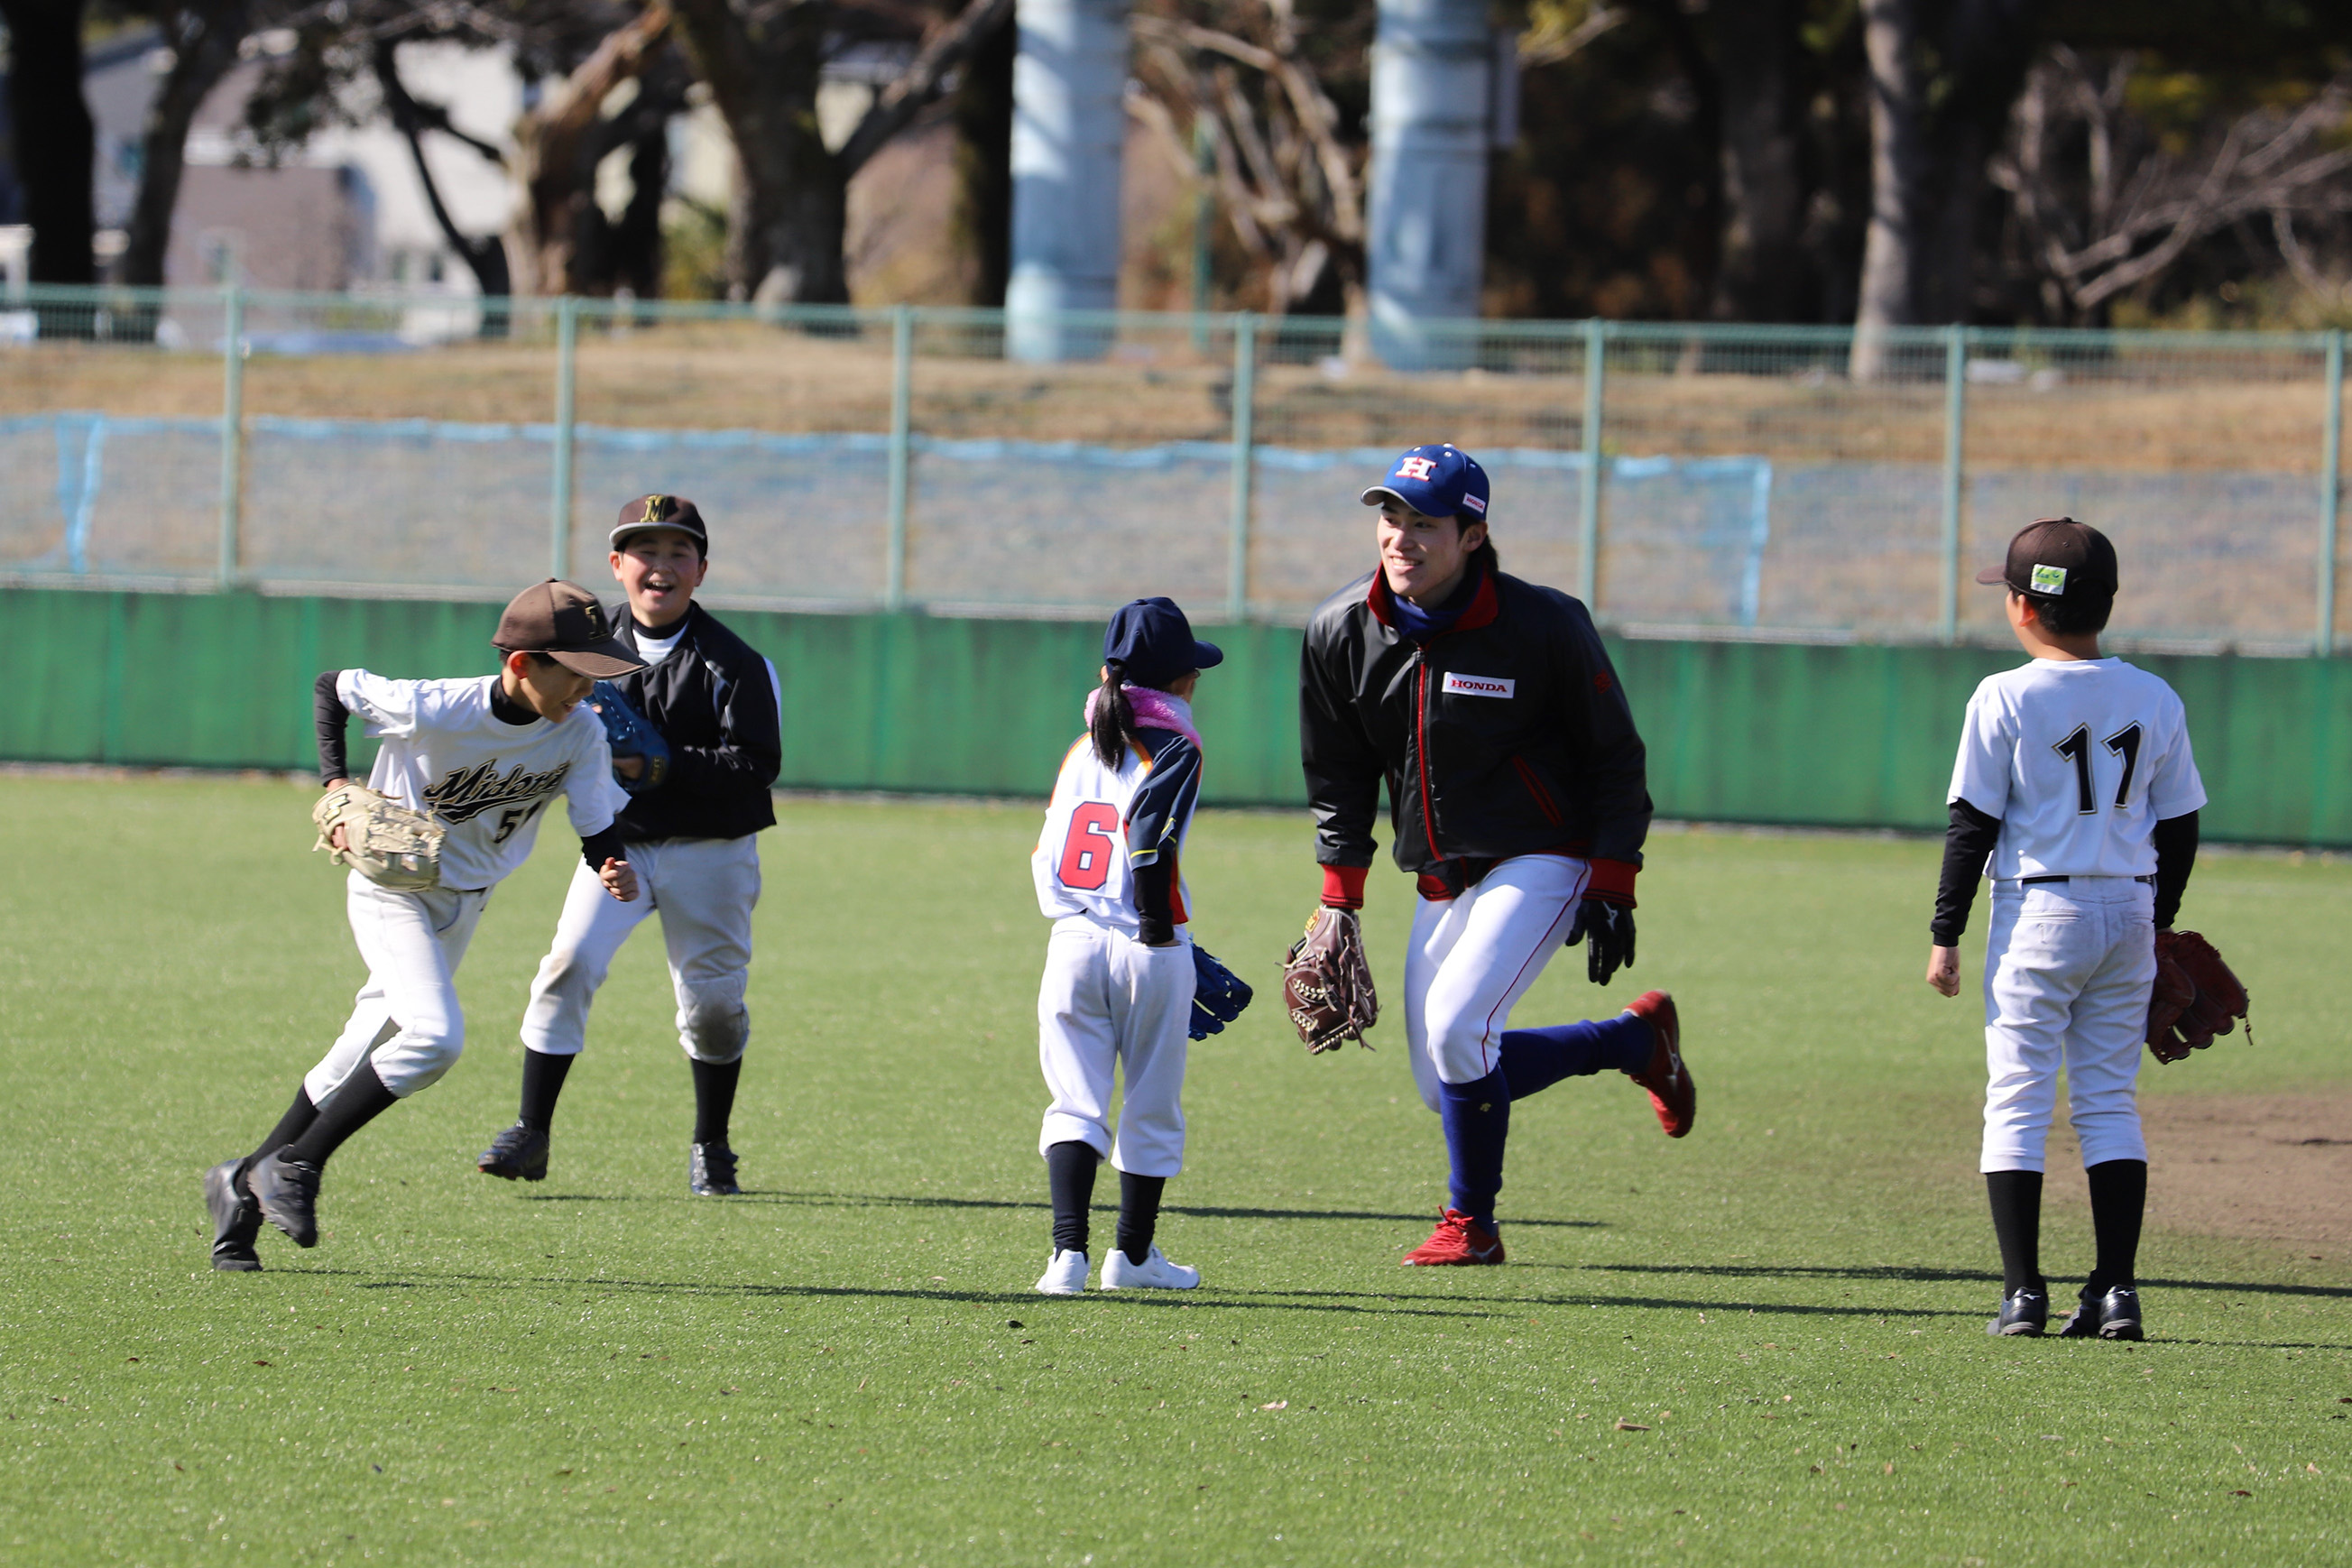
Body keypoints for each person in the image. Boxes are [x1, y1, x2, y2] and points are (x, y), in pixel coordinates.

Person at [1297, 443, 1694, 1267]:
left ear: (1471, 536)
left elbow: (1614, 756)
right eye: (1390, 517)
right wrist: (1340, 895)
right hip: (1440, 876)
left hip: (1545, 854)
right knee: (1443, 1078)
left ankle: (1470, 1225)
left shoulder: (1544, 623)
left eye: (1424, 524)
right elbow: (1337, 774)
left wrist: (1614, 876)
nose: (1400, 539)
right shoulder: (1341, 631)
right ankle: (1629, 1043)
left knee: (1458, 1033)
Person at [204, 579, 642, 1269]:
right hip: (393, 893)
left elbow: (595, 824)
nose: (587, 692)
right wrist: (334, 785)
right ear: (523, 664)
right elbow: (331, 686)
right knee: (434, 1038)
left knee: (359, 1053)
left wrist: (612, 862)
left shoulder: (580, 732)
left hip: (465, 903)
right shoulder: (435, 706)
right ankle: (298, 1166)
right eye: (577, 674)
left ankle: (240, 1188)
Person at [1926, 517, 2205, 1341]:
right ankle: (2115, 1292)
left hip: (2037, 910)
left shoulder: (2003, 695)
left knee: (2015, 1097)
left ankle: (2023, 1296)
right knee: (2108, 1100)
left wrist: (1945, 932)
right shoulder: (2154, 696)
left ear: (2020, 606)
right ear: (2106, 605)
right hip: (2125, 907)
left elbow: (1970, 824)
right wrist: (2158, 923)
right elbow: (2181, 825)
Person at [478, 495, 782, 1196]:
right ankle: (531, 1132)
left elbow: (756, 767)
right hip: (617, 848)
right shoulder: (580, 648)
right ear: (617, 566)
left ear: (701, 570)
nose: (661, 565)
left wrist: (665, 763)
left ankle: (711, 1143)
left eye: (679, 552)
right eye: (645, 550)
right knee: (566, 966)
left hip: (712, 850)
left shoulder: (734, 662)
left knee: (711, 1007)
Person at [1028, 598, 1222, 1294]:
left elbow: (1046, 853)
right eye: (1192, 670)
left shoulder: (1083, 745)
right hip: (1146, 940)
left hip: (1071, 937)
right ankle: (1132, 1258)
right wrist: (1160, 932)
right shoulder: (1176, 743)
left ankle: (1065, 1260)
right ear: (1176, 680)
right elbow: (1148, 842)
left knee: (1073, 1102)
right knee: (1150, 1104)